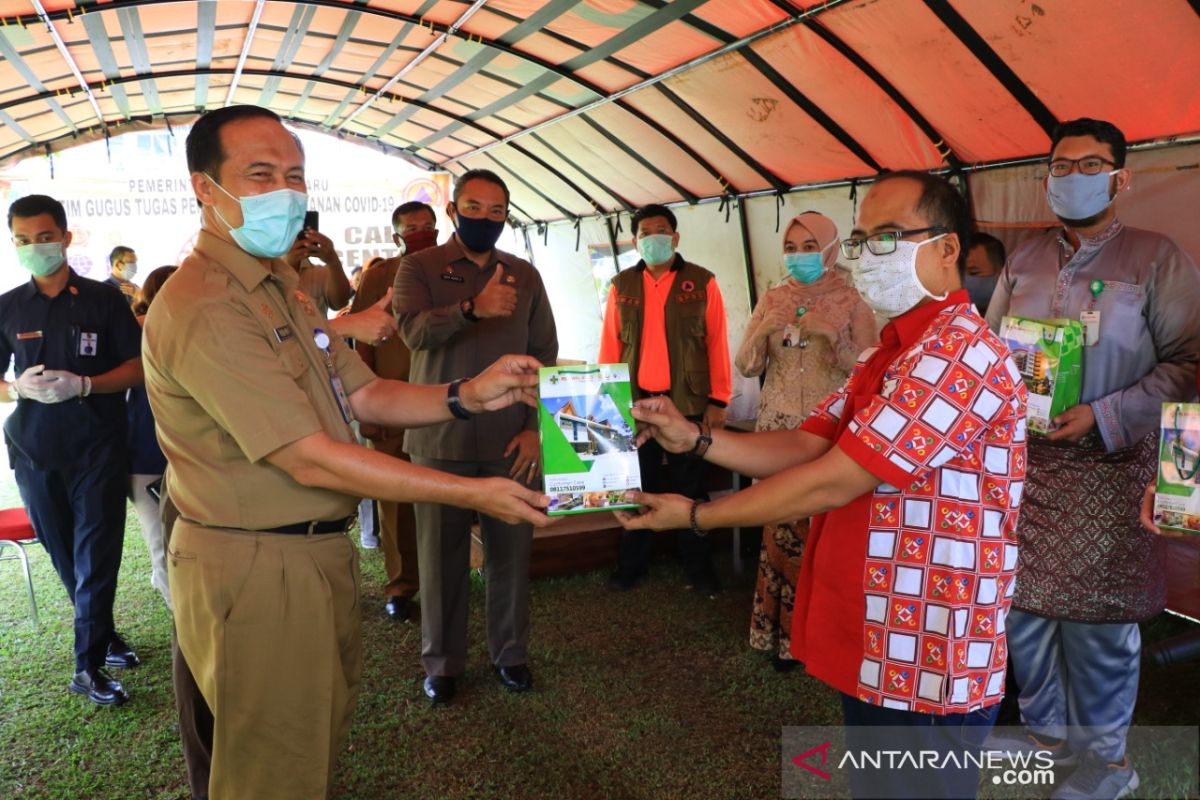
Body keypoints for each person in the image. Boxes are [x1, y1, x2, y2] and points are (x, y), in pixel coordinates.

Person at [143, 105, 551, 800]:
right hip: (255, 560)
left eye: (295, 174)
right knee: (272, 767)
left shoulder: (284, 290)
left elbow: (363, 394)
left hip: (309, 552)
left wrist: (468, 394)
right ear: (205, 189)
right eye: (261, 173)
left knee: (308, 739)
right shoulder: (208, 304)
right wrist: (469, 493)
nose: (286, 191)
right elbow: (308, 456)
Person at [617, 172, 1027, 800]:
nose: (868, 255)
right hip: (880, 629)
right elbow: (805, 444)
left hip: (928, 647)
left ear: (947, 249)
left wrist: (696, 516)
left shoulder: (957, 353)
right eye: (862, 239)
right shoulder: (890, 353)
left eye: (889, 236)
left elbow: (834, 480)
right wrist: (693, 439)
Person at [984, 117, 1200, 799]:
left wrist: (1104, 416)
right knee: (1025, 614)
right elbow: (991, 354)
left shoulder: (1154, 256)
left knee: (1098, 626)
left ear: (1120, 177)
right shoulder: (1022, 260)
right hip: (1030, 470)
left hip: (1115, 471)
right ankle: (1046, 740)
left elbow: (1190, 365)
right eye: (1060, 165)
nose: (1070, 177)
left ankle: (1109, 764)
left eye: (1088, 164)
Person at [394, 169, 558, 705]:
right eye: (474, 206)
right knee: (440, 560)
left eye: (496, 210)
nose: (485, 218)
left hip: (510, 444)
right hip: (438, 441)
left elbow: (546, 357)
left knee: (511, 556)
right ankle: (442, 663)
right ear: (453, 211)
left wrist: (536, 431)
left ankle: (510, 654)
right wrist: (470, 309)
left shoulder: (525, 275)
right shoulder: (419, 266)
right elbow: (411, 332)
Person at [0, 195, 144, 706]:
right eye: (22, 240)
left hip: (97, 448)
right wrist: (19, 389)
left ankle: (86, 667)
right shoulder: (9, 306)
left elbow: (138, 367)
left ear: (65, 236)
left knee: (97, 556)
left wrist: (84, 385)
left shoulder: (105, 301)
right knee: (66, 558)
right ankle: (103, 636)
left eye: (43, 237)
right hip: (34, 452)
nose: (34, 247)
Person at [734, 211, 876, 669]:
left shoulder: (856, 299)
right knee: (780, 527)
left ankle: (824, 639)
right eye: (791, 248)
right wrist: (762, 330)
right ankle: (781, 637)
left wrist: (834, 337)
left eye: (809, 246)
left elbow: (872, 373)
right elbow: (746, 366)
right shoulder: (774, 297)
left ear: (832, 248)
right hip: (777, 427)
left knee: (825, 532)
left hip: (829, 433)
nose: (799, 257)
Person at [598, 203, 732, 596]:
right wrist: (610, 401)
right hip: (635, 406)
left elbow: (717, 342)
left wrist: (718, 401)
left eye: (660, 230)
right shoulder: (621, 285)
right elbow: (609, 347)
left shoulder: (702, 281)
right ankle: (632, 565)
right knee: (637, 484)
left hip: (687, 404)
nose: (652, 238)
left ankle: (698, 566)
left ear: (675, 238)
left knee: (690, 487)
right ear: (636, 241)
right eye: (644, 233)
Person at [351, 200, 440, 621]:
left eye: (428, 226)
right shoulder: (379, 277)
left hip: (445, 402)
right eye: (412, 228)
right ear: (396, 236)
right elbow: (361, 344)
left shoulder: (455, 269)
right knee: (396, 500)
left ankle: (446, 577)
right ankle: (402, 585)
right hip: (392, 402)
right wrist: (365, 402)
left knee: (447, 495)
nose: (421, 233)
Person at [127, 265, 178, 608]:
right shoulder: (136, 332)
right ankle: (182, 616)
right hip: (147, 456)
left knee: (185, 545)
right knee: (161, 545)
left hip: (188, 457)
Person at [964, 232, 1005, 315]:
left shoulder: (1018, 320)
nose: (963, 281)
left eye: (973, 272)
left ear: (1000, 275)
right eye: (958, 273)